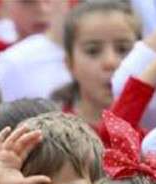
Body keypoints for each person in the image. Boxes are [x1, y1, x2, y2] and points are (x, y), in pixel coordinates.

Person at [50, 0, 140, 128]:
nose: (111, 62)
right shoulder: (54, 128)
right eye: (93, 51)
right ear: (69, 63)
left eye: (123, 49)